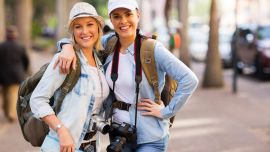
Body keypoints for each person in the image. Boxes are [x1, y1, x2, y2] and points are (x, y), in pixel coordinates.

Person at [55, 0, 199, 151]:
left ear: (138, 14)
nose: (123, 21)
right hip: (119, 136)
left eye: (128, 14)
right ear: (111, 20)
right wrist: (66, 46)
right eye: (116, 16)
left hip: (151, 137)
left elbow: (189, 79)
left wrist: (166, 112)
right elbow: (81, 40)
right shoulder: (108, 44)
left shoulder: (152, 49)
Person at [30, 2, 110, 152]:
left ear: (98, 28)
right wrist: (61, 130)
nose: (85, 31)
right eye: (78, 26)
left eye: (89, 24)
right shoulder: (65, 60)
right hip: (62, 146)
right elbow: (37, 100)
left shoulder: (100, 62)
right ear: (72, 31)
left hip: (92, 146)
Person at [0, 26, 29, 122]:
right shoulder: (20, 46)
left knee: (5, 93)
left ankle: (7, 111)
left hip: (3, 75)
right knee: (12, 94)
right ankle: (11, 113)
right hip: (17, 74)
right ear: (15, 35)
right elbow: (26, 60)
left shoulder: (1, 46)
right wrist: (24, 70)